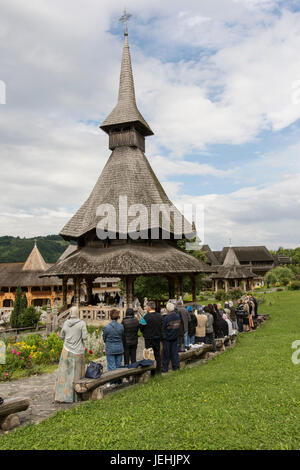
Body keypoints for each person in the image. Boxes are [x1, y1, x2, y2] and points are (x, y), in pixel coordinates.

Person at [55, 306, 88, 403]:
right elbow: (85, 337)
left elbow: (62, 336)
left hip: (66, 350)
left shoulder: (66, 323)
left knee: (65, 374)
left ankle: (64, 396)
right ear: (78, 313)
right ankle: (77, 396)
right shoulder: (82, 323)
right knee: (77, 375)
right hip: (78, 351)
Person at [139, 300, 162, 375]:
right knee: (157, 354)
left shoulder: (145, 317)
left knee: (149, 355)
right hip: (157, 337)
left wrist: (144, 332)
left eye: (146, 307)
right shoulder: (159, 316)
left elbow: (141, 327)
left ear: (149, 308)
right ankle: (158, 370)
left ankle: (152, 372)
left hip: (148, 338)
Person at [103, 309, 124, 386]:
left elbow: (104, 338)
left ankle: (112, 382)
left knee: (111, 366)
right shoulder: (121, 326)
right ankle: (119, 381)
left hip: (110, 348)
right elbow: (122, 336)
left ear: (110, 316)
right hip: (119, 347)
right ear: (118, 317)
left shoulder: (107, 327)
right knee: (119, 365)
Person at [161, 302, 181, 372]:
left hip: (167, 337)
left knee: (166, 353)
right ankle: (176, 366)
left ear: (167, 309)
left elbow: (162, 327)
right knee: (174, 353)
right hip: (175, 336)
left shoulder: (166, 318)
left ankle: (165, 368)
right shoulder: (177, 316)